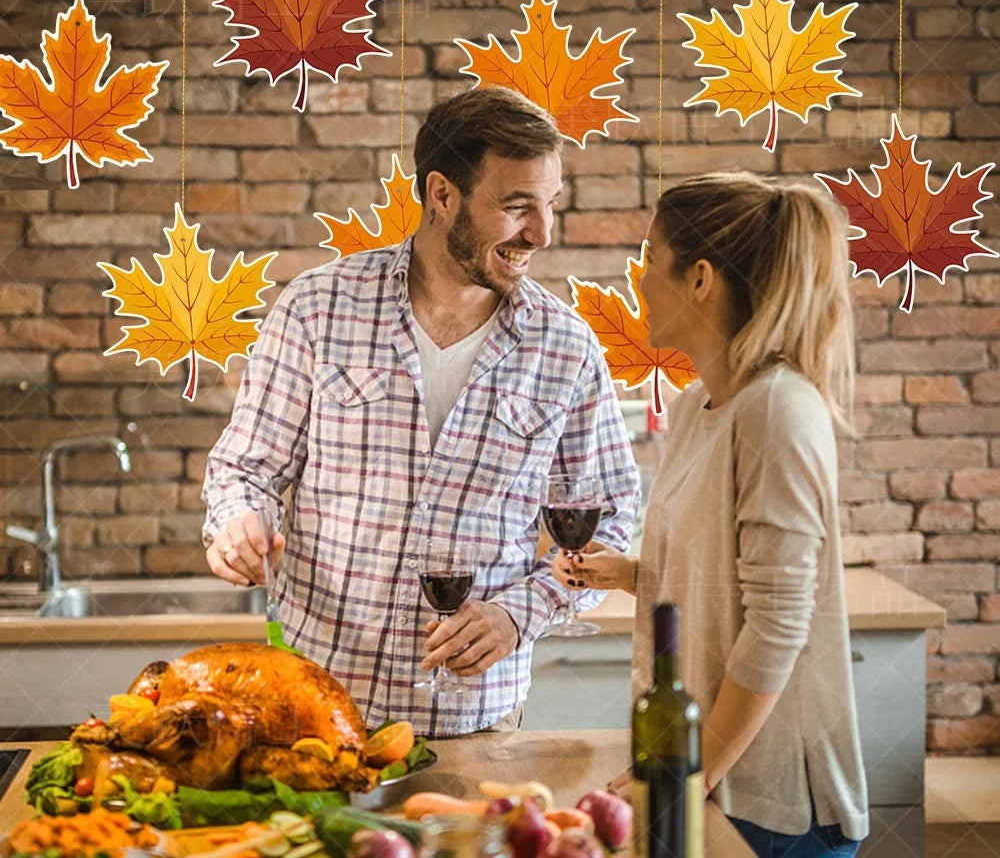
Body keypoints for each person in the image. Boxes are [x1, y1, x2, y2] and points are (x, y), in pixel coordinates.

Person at [201, 86, 640, 737]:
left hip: (473, 716)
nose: (542, 234)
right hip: (312, 709)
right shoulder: (319, 306)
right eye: (517, 207)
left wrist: (520, 612)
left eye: (549, 206)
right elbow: (246, 468)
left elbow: (615, 521)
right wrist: (238, 522)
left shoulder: (566, 345)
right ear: (441, 195)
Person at [555, 173, 868, 857]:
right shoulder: (700, 407)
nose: (637, 280)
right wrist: (636, 574)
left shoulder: (778, 409)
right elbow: (716, 571)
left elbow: (778, 623)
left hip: (775, 800)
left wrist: (687, 775)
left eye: (649, 257)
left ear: (700, 279)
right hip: (710, 774)